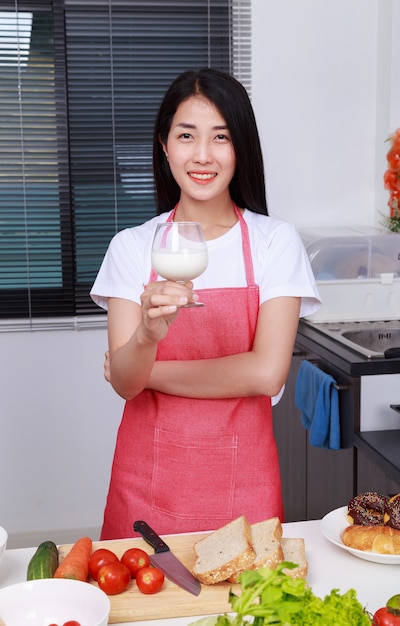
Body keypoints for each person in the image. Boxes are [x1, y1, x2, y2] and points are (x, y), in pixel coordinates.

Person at [90, 68, 321, 540]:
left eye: (221, 136)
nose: (202, 155)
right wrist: (148, 336)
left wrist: (143, 368)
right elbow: (125, 387)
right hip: (146, 487)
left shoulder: (274, 242)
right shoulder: (132, 248)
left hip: (245, 489)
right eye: (186, 135)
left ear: (241, 147)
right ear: (164, 144)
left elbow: (266, 373)